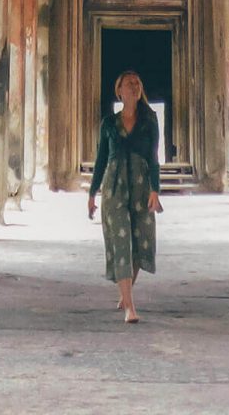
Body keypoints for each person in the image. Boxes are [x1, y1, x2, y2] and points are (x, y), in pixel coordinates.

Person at [88, 70, 162, 323]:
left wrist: (155, 190)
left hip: (141, 185)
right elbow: (100, 160)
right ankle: (130, 305)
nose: (134, 86)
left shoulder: (149, 120)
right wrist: (92, 193)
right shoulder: (109, 123)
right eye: (129, 83)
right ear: (119, 91)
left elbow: (154, 157)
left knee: (141, 242)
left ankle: (125, 290)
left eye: (137, 83)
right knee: (120, 242)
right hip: (114, 185)